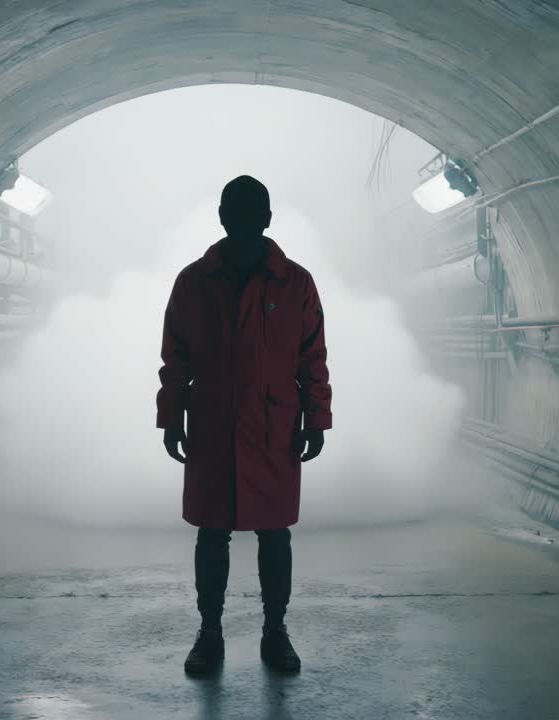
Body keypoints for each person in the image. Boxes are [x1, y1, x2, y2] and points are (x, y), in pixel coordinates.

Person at [156, 175, 332, 675]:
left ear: (267, 219)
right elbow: (177, 356)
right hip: (215, 425)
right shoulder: (193, 282)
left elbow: (311, 355)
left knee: (274, 534)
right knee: (213, 533)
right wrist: (171, 415)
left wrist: (316, 416)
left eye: (252, 212)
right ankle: (210, 632)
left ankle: (274, 631)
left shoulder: (294, 282)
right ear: (223, 218)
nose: (245, 221)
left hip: (272, 426)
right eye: (238, 211)